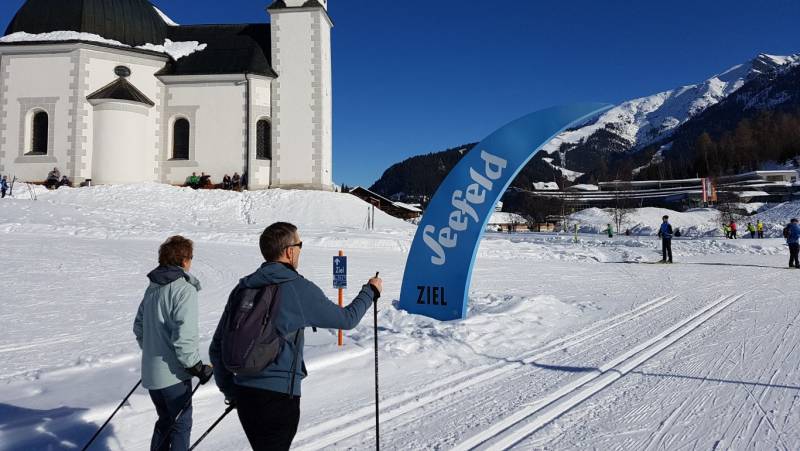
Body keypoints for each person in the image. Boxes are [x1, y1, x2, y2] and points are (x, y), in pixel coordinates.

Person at [209, 222, 382, 450]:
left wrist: (231, 391)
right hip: (279, 399)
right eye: (299, 245)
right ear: (290, 251)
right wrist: (371, 291)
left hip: (245, 394)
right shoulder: (297, 288)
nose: (300, 250)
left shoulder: (243, 288)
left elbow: (217, 347)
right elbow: (347, 319)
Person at [133, 236, 213, 451]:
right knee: (180, 425)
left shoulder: (153, 288)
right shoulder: (183, 289)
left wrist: (153, 351)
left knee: (166, 421)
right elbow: (184, 336)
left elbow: (139, 327)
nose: (191, 262)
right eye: (191, 257)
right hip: (173, 376)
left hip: (152, 375)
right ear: (184, 260)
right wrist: (196, 367)